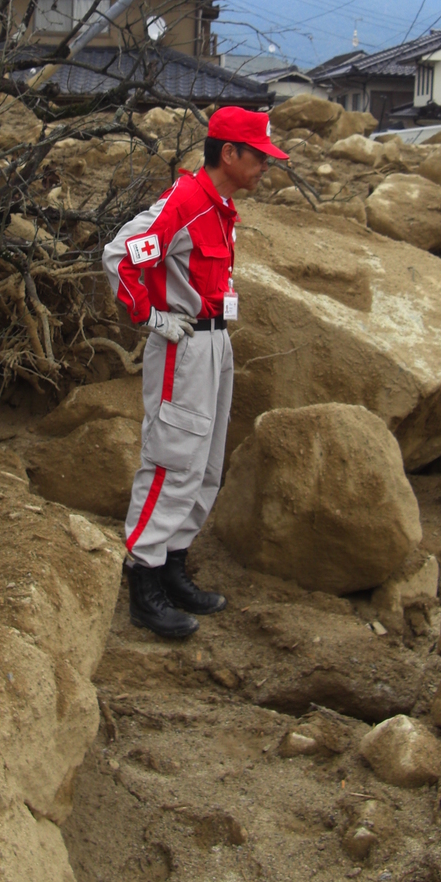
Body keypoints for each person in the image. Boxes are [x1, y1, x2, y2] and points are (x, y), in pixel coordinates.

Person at [102, 106, 288, 639]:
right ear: (229, 153)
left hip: (213, 342)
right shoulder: (184, 203)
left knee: (206, 461)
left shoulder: (220, 206)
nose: (264, 168)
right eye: (258, 158)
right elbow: (120, 257)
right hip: (182, 347)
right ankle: (143, 581)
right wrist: (151, 315)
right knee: (171, 459)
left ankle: (172, 567)